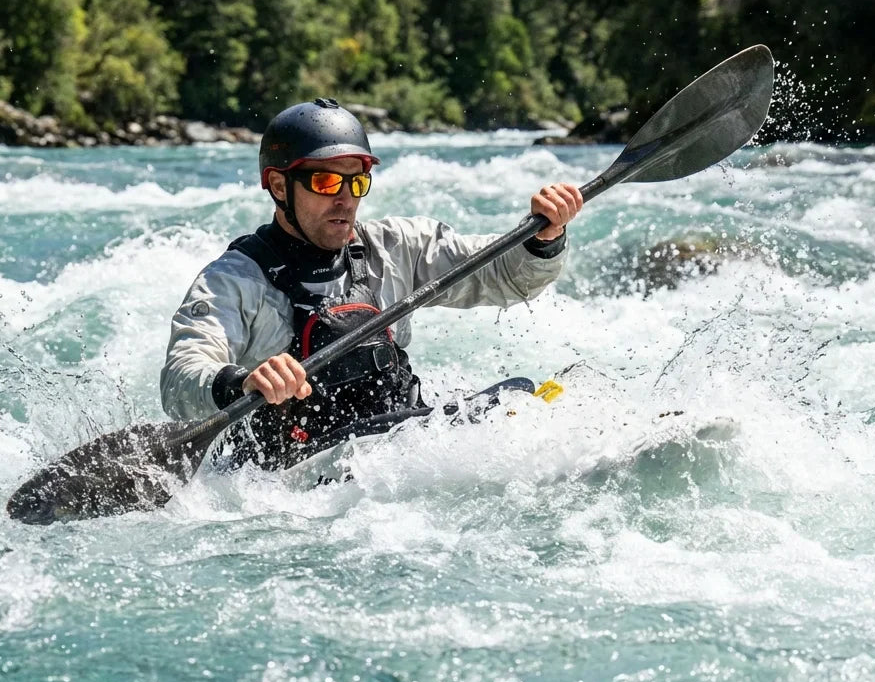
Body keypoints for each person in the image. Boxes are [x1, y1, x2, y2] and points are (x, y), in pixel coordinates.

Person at [160, 97, 582, 470]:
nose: (346, 199)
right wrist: (242, 381)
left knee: (525, 397)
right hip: (292, 471)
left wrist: (543, 238)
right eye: (326, 182)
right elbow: (181, 378)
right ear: (277, 186)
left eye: (356, 181)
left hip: (396, 449)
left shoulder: (396, 245)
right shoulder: (232, 280)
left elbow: (506, 276)